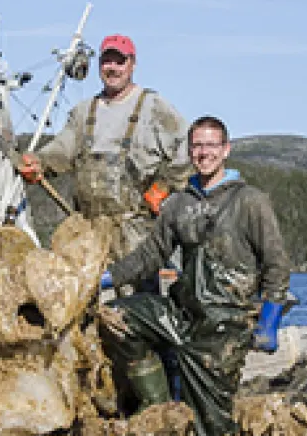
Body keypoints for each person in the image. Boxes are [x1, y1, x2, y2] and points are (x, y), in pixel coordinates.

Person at [98, 115, 291, 436]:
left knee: (215, 425)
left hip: (224, 327)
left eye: (211, 146)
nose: (203, 153)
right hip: (182, 317)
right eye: (196, 146)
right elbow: (152, 254)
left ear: (226, 150)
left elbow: (277, 265)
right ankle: (162, 411)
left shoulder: (250, 201)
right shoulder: (179, 204)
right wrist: (106, 277)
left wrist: (269, 320)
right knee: (120, 316)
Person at [19, 34, 191, 271]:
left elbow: (190, 147)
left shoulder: (153, 107)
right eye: (106, 61)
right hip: (88, 231)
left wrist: (165, 186)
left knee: (133, 301)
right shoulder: (83, 112)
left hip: (135, 231)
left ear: (132, 64)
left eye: (119, 61)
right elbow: (62, 150)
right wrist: (38, 161)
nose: (112, 68)